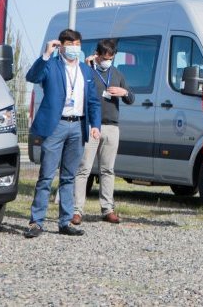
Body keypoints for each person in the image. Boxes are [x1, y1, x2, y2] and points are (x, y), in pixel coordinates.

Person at [24, 29, 102, 238]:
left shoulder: (86, 71)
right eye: (71, 44)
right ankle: (36, 221)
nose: (75, 48)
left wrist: (95, 125)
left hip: (78, 126)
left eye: (77, 44)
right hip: (55, 126)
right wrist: (46, 55)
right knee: (47, 176)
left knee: (69, 176)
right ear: (61, 45)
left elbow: (93, 101)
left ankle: (65, 221)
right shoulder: (51, 65)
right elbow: (32, 76)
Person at [72, 39, 133, 225]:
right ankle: (76, 210)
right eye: (104, 57)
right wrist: (87, 65)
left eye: (111, 57)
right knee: (84, 169)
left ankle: (108, 209)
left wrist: (124, 93)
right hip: (91, 125)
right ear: (97, 55)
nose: (107, 60)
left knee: (108, 169)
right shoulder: (87, 71)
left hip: (112, 126)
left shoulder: (117, 74)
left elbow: (131, 98)